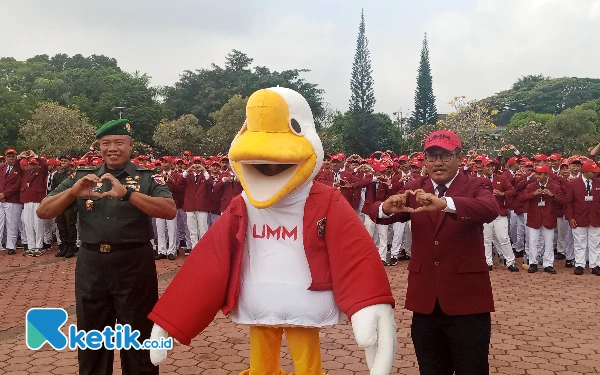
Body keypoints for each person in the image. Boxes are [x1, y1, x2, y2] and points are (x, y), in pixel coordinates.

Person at [37, 119, 177, 375]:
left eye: (119, 143)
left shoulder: (147, 177)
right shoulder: (81, 177)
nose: (112, 148)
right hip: (92, 266)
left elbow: (169, 210)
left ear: (130, 145)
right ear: (98, 147)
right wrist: (72, 193)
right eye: (105, 143)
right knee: (91, 336)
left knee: (138, 336)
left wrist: (128, 194)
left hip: (134, 265)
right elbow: (43, 211)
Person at [365, 129, 498, 375]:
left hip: (467, 300)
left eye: (445, 156)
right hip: (426, 300)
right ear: (424, 160)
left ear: (460, 157)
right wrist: (386, 207)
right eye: (431, 156)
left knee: (473, 368)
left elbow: (490, 208)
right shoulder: (416, 188)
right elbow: (375, 211)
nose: (438, 163)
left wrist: (446, 204)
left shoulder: (476, 184)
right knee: (431, 368)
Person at [521, 165, 565, 274]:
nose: (537, 176)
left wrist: (552, 196)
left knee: (549, 242)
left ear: (546, 175)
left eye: (540, 174)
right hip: (534, 217)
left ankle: (548, 264)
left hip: (548, 217)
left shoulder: (554, 187)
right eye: (536, 174)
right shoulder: (531, 186)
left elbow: (563, 201)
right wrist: (533, 194)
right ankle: (533, 263)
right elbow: (522, 198)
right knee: (533, 241)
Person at [564, 161, 600, 275]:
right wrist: (570, 218)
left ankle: (595, 265)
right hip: (579, 217)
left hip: (595, 217)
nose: (596, 174)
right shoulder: (573, 184)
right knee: (579, 242)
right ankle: (580, 264)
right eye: (593, 172)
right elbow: (568, 202)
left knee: (595, 242)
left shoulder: (598, 183)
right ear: (586, 172)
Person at [0, 148, 23, 255]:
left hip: (13, 199)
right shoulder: (2, 168)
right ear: (5, 158)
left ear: (16, 157)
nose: (11, 158)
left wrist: (5, 194)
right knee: (1, 223)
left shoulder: (19, 169)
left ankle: (11, 246)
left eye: (13, 156)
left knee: (12, 224)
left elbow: (17, 185)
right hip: (1, 199)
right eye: (9, 156)